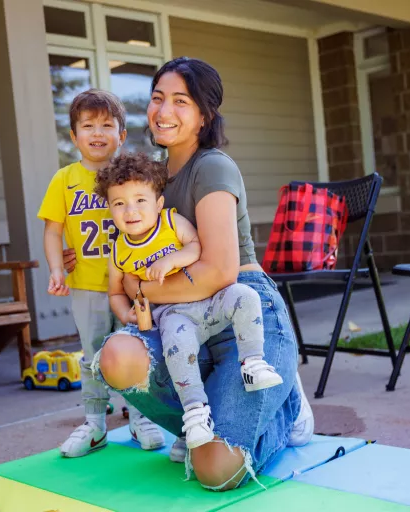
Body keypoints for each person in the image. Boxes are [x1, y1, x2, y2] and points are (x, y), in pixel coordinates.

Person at [84, 57, 314, 490]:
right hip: (180, 322)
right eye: (156, 98)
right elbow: (122, 250)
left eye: (180, 101)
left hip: (239, 316)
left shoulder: (212, 166)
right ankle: (198, 424)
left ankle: (286, 409)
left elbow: (219, 271)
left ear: (205, 115)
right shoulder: (150, 178)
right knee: (116, 357)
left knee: (215, 472)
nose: (163, 111)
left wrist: (141, 286)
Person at [93, 152, 283, 450]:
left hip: (208, 302)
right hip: (173, 315)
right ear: (110, 209)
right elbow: (116, 291)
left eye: (140, 200)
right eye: (120, 203)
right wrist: (125, 313)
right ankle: (194, 413)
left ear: (158, 203)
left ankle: (253, 361)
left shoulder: (171, 222)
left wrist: (173, 259)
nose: (130, 210)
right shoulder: (118, 251)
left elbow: (195, 246)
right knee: (177, 349)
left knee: (245, 296)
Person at [37, 89, 165, 458]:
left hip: (130, 285)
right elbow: (52, 230)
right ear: (74, 136)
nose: (97, 133)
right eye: (88, 125)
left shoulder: (129, 178)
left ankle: (141, 417)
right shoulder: (65, 179)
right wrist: (57, 268)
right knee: (93, 355)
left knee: (138, 350)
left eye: (107, 125)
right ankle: (95, 423)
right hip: (88, 286)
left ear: (121, 135)